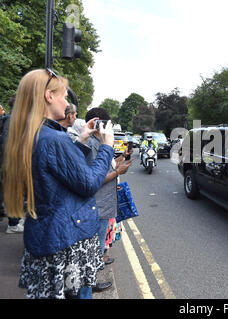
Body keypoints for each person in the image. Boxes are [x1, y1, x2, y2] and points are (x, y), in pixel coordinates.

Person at [3, 69, 115, 299]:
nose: (66, 102)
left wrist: (82, 138)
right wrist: (106, 146)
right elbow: (88, 183)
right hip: (65, 241)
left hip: (45, 236)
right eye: (63, 95)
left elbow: (59, 169)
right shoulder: (55, 139)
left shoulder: (32, 134)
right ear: (48, 96)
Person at [85, 108, 133, 270]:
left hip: (103, 204)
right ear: (100, 123)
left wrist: (122, 158)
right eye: (109, 124)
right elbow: (95, 178)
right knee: (95, 246)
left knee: (98, 243)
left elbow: (107, 166)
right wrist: (118, 172)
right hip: (98, 205)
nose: (111, 128)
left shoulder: (99, 143)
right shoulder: (92, 145)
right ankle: (91, 284)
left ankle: (94, 276)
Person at [0, 95, 24, 233]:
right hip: (13, 162)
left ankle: (15, 221)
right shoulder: (16, 121)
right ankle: (14, 224)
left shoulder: (6, 119)